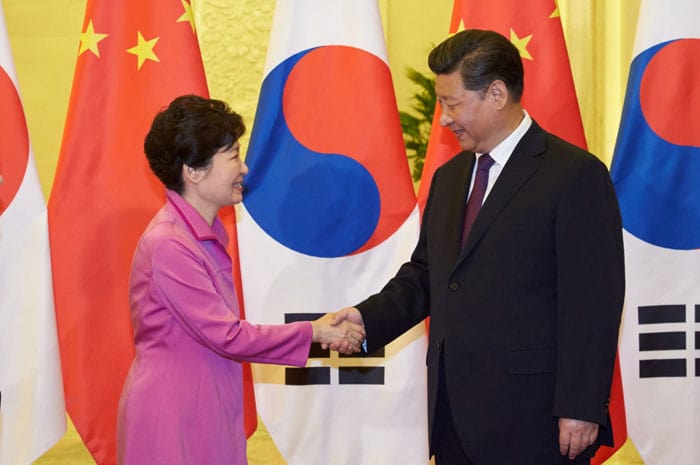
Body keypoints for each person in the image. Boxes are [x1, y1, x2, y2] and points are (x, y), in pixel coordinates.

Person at [331, 30, 625, 465]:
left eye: (452, 103)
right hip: (453, 415)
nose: (444, 118)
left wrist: (581, 407)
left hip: (536, 419)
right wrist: (365, 317)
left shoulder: (573, 175)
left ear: (497, 93)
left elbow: (593, 302)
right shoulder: (449, 179)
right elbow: (429, 275)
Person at [116, 95, 365, 465]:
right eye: (232, 156)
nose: (245, 168)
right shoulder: (169, 244)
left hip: (205, 411)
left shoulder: (202, 233)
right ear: (194, 171)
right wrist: (316, 332)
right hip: (172, 420)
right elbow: (226, 335)